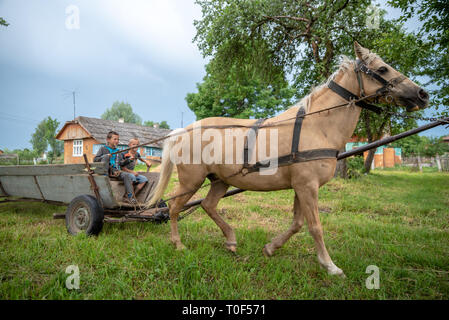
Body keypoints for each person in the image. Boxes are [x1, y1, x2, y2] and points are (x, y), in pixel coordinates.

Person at [93, 131, 137, 205]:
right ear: (108, 140)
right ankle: (106, 181)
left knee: (127, 175)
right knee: (105, 158)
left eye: (118, 139)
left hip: (116, 171)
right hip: (105, 171)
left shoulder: (118, 151)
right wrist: (106, 156)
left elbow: (120, 163)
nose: (117, 141)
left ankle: (130, 197)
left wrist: (129, 160)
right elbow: (95, 160)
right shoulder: (103, 149)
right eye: (115, 139)